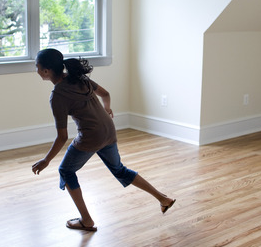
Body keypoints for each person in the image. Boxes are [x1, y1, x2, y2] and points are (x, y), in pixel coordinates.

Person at [32, 48, 175, 232]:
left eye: (37, 67)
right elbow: (105, 94)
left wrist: (46, 160)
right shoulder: (79, 78)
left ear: (46, 71)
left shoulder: (58, 95)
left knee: (66, 171)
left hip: (91, 136)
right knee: (119, 169)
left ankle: (86, 220)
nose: (36, 70)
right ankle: (163, 199)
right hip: (108, 130)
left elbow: (63, 136)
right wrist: (107, 109)